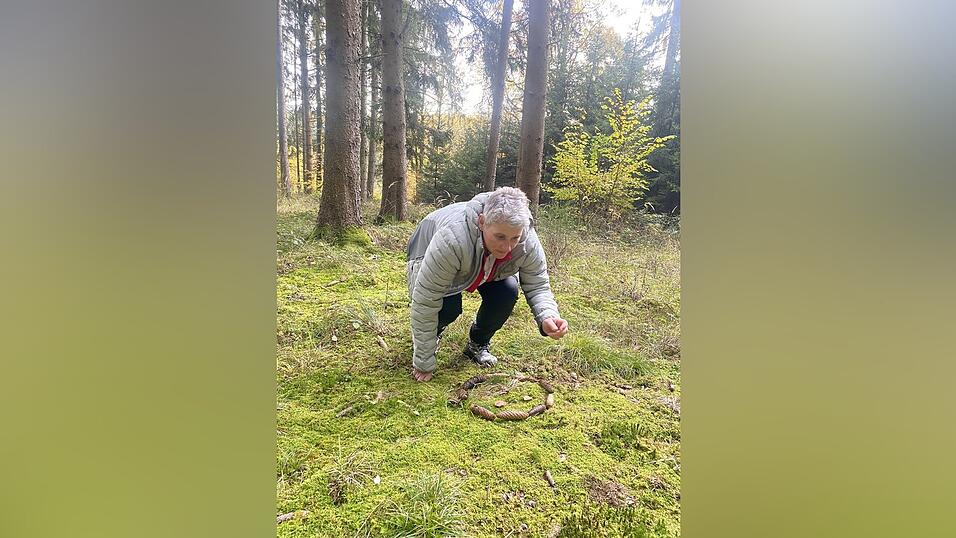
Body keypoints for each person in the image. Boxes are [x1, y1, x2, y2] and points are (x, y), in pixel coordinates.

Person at [405, 187, 569, 382]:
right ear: (482, 222)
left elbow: (538, 284)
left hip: (488, 266)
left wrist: (547, 316)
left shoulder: (527, 242)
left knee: (506, 293)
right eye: (500, 237)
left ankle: (477, 344)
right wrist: (424, 363)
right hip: (430, 249)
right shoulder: (451, 238)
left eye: (514, 238)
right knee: (449, 307)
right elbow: (426, 299)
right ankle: (434, 334)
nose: (507, 247)